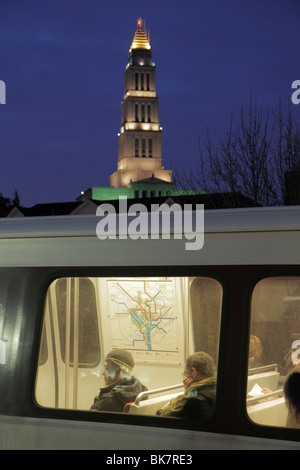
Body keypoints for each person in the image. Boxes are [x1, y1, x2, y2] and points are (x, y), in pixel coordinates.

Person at [158, 351, 217, 420]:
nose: (185, 378)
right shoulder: (215, 388)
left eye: (185, 373)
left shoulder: (190, 400)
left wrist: (186, 391)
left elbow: (164, 416)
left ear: (194, 372)